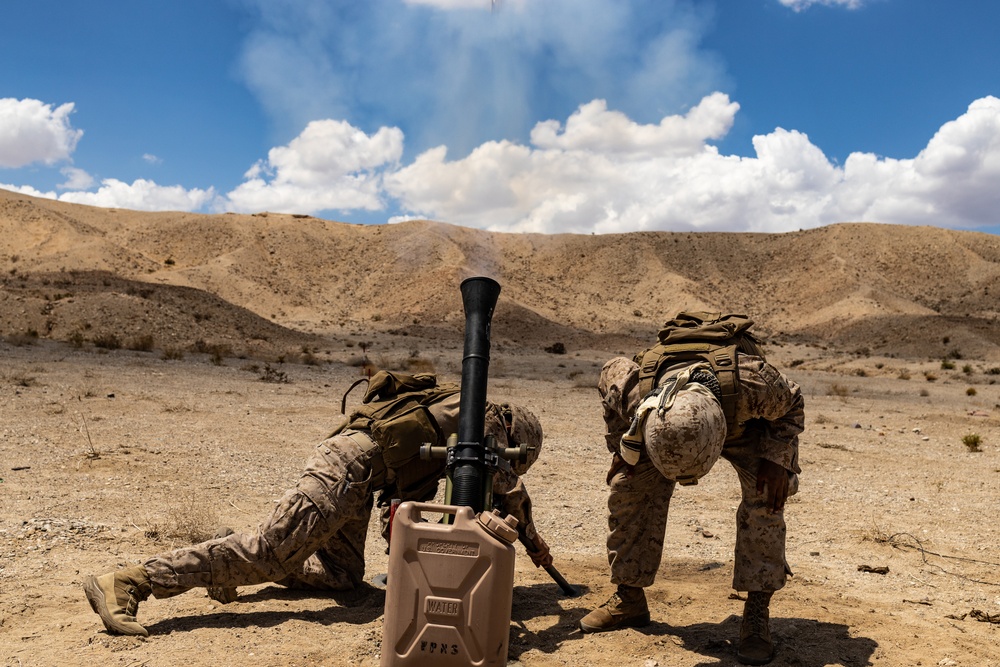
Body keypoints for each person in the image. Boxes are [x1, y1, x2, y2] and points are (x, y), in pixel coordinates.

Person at [83, 370, 551, 637]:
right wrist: (531, 542)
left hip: (362, 478)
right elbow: (510, 493)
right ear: (519, 437)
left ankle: (231, 563)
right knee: (270, 552)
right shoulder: (487, 421)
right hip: (347, 468)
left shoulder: (458, 419)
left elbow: (405, 519)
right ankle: (132, 581)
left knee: (343, 578)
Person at [579, 316, 803, 666]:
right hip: (662, 420)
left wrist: (778, 458)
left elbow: (793, 401)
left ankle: (757, 613)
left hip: (742, 424)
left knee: (767, 495)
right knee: (629, 486)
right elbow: (609, 380)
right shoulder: (630, 391)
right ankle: (629, 598)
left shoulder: (754, 387)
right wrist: (620, 450)